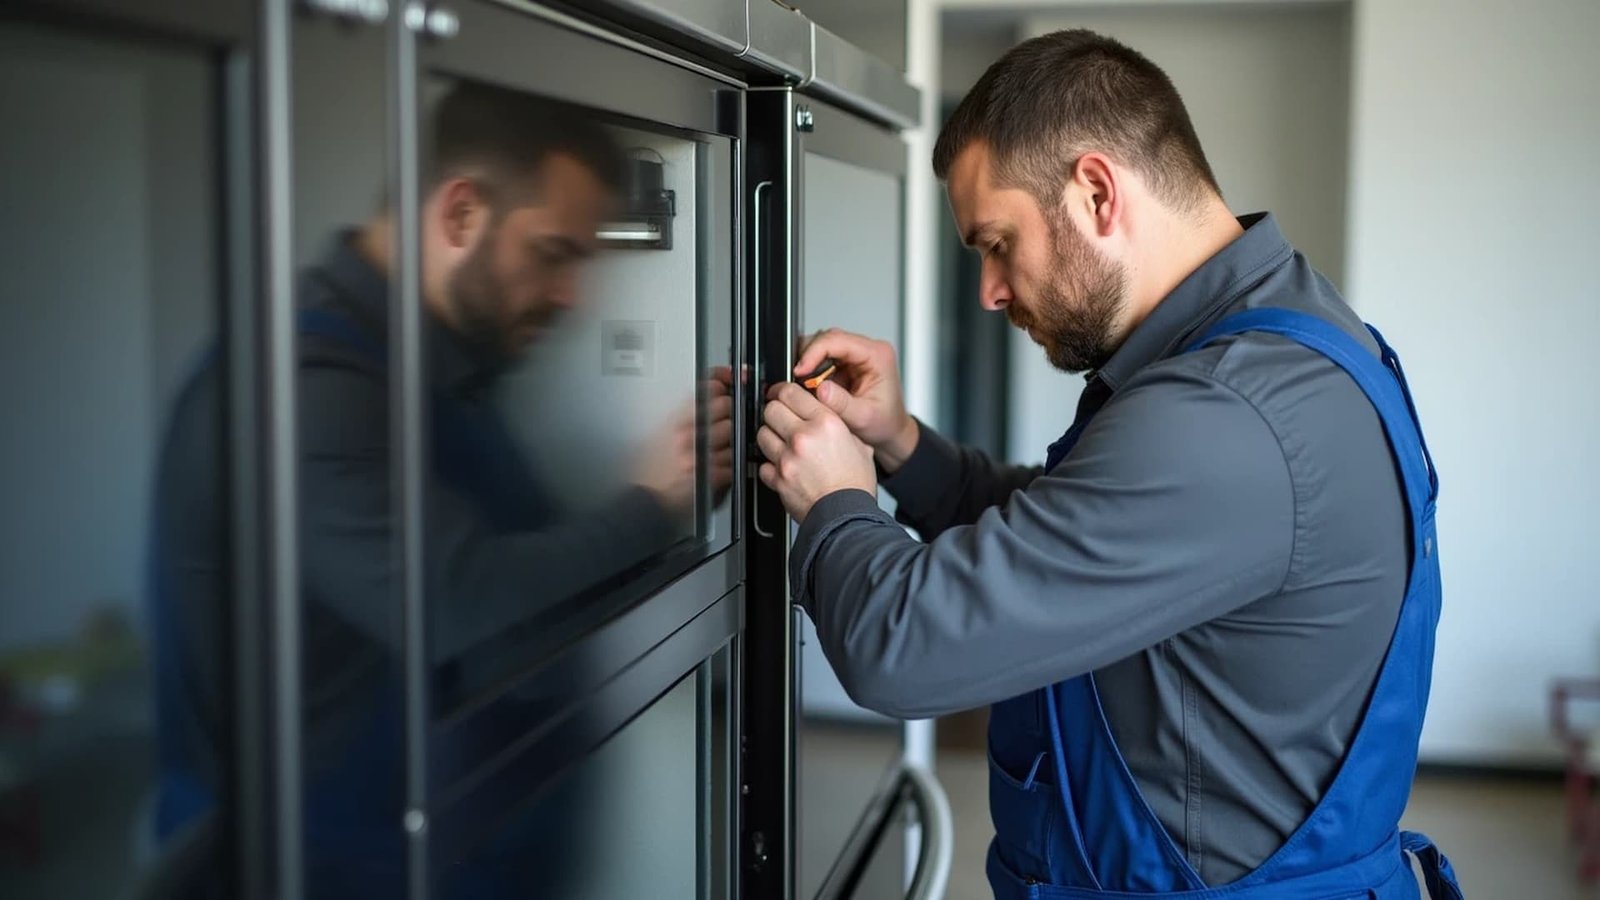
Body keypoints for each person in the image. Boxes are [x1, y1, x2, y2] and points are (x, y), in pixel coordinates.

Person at [757, 29, 1461, 899]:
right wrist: (898, 443)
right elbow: (1074, 531)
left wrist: (835, 501)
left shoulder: (1228, 416)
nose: (989, 291)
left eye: (997, 243)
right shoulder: (1275, 340)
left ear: (1096, 191)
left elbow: (901, 647)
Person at [149, 82, 732, 896]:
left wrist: (675, 493)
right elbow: (459, 601)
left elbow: (529, 586)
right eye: (555, 254)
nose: (573, 296)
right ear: (460, 214)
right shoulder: (303, 387)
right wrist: (651, 505)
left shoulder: (441, 370)